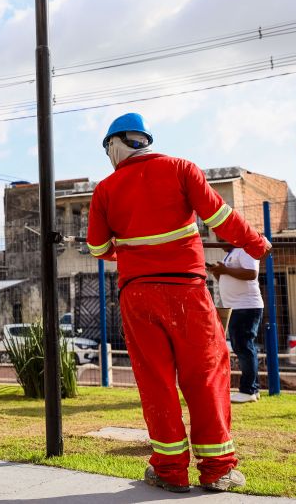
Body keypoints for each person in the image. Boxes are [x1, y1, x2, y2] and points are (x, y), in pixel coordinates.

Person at [87, 112, 271, 493]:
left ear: (114, 146)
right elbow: (221, 217)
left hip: (137, 296)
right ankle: (218, 470)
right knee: (205, 376)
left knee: (155, 381)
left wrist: (131, 250)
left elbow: (98, 247)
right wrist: (258, 244)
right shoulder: (182, 169)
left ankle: (169, 471)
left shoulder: (105, 189)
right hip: (188, 292)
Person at [208, 247, 263, 403]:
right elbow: (229, 279)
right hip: (237, 307)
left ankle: (248, 390)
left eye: (221, 236)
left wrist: (225, 269)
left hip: (245, 307)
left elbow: (251, 273)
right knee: (243, 347)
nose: (218, 240)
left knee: (244, 347)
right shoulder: (231, 254)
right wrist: (219, 272)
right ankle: (253, 388)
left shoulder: (245, 250)